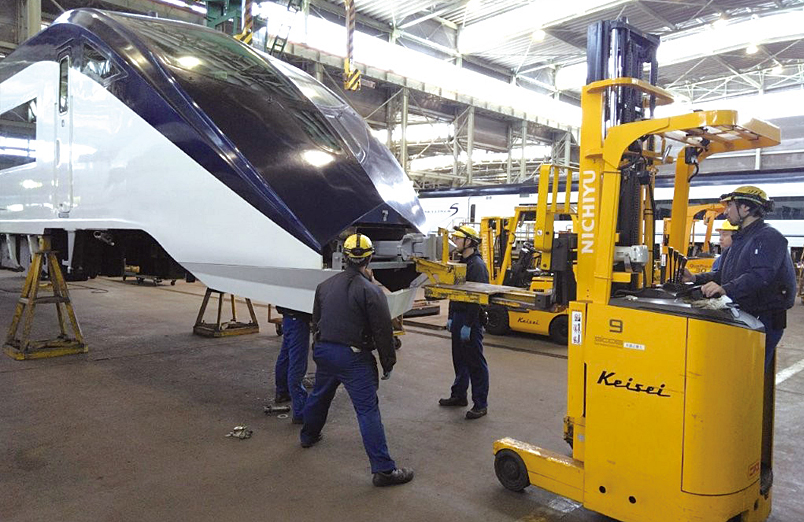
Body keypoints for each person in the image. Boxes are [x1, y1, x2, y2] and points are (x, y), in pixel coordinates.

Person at [682, 186, 796, 495]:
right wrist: (696, 279)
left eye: (730, 206)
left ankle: (746, 457)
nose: (726, 211)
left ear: (746, 209)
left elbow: (761, 276)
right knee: (731, 387)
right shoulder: (741, 241)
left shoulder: (769, 238)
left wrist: (724, 289)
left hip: (763, 322)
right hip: (743, 320)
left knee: (746, 391)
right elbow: (722, 274)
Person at [300, 233, 413, 487]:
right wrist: (388, 362)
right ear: (370, 258)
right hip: (353, 357)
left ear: (344, 258)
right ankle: (384, 470)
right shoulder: (371, 291)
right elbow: (383, 331)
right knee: (367, 410)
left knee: (320, 395)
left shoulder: (325, 286)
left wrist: (319, 347)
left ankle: (308, 435)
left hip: (326, 352)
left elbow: (316, 321)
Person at [439, 225, 491, 420]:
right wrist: (451, 316)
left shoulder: (477, 266)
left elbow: (477, 298)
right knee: (459, 360)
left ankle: (480, 404)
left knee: (475, 363)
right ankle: (459, 395)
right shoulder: (461, 263)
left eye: (458, 239)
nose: (455, 242)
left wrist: (469, 324)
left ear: (469, 241)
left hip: (471, 320)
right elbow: (455, 292)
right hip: (459, 317)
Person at [274, 307, 311, 424]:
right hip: (298, 319)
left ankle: (282, 391)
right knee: (297, 364)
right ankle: (300, 412)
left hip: (289, 318)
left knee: (285, 357)